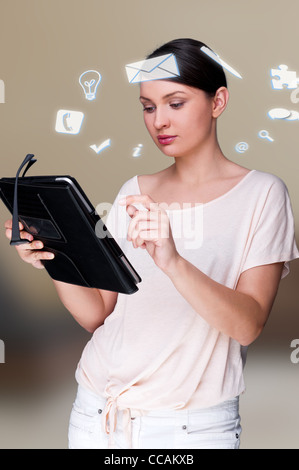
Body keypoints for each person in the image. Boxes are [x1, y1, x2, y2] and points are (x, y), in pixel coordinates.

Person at [4, 38, 299, 449]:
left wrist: (173, 261)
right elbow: (98, 315)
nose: (159, 120)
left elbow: (247, 325)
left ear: (218, 101)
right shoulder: (134, 191)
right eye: (148, 106)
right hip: (96, 416)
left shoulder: (263, 195)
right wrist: (53, 255)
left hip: (191, 431)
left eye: (175, 103)